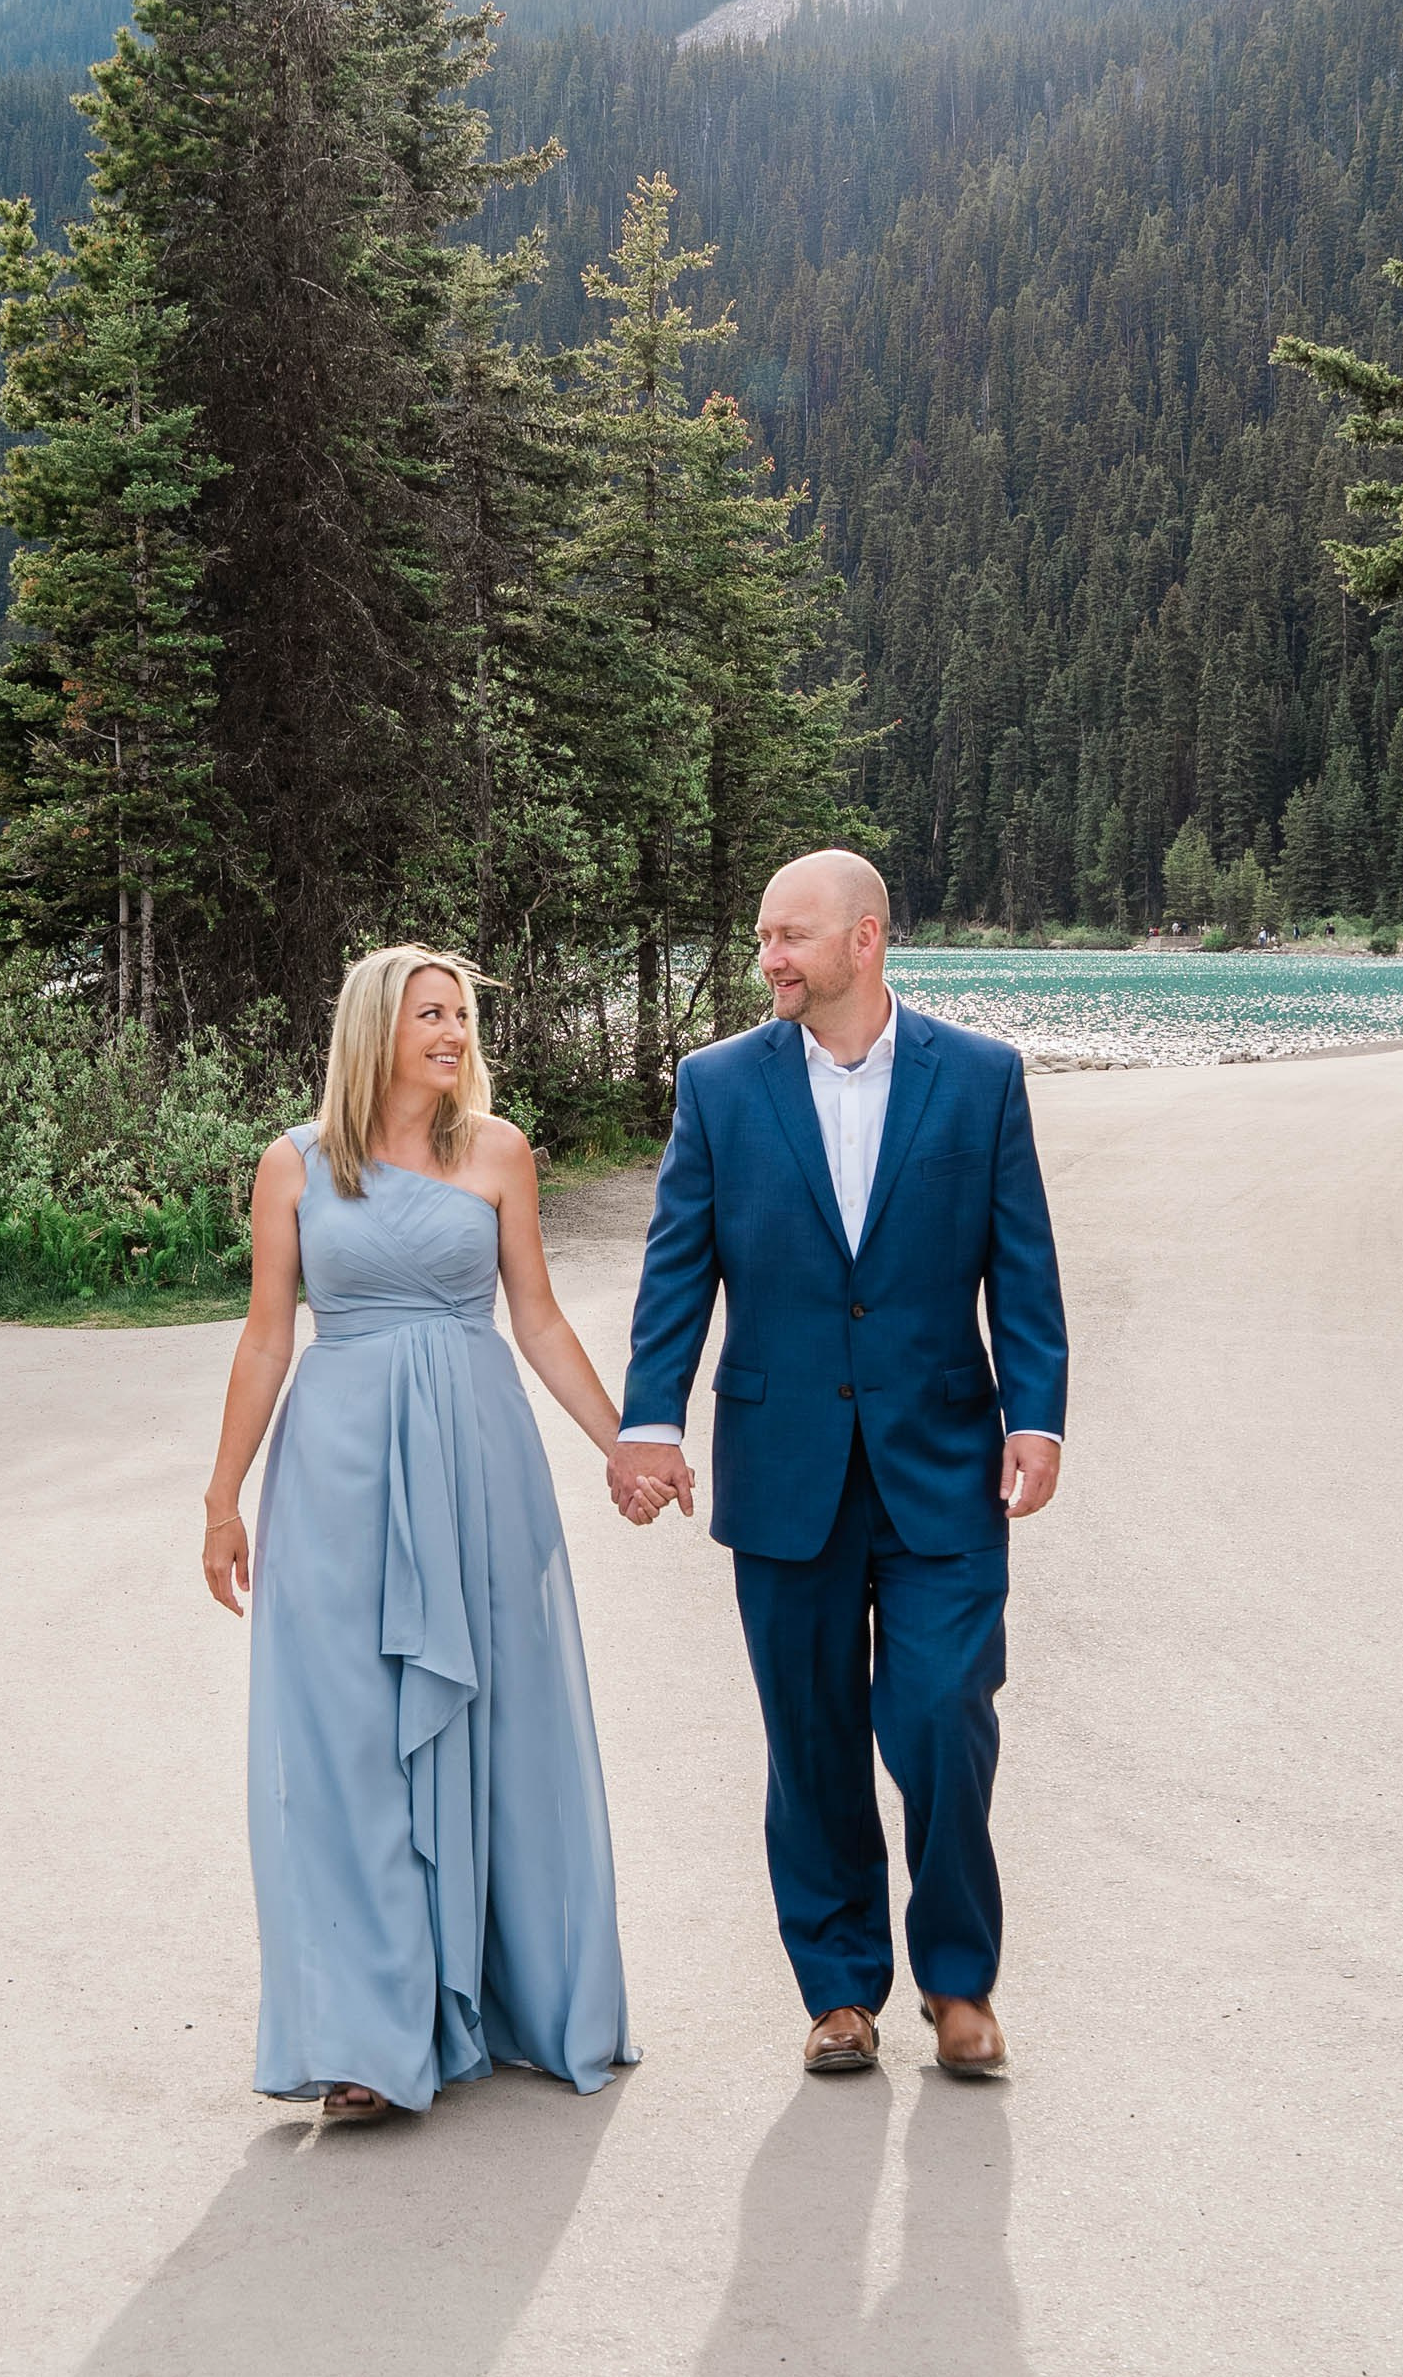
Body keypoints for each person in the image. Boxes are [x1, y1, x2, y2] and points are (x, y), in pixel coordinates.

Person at [611, 851, 1067, 2080]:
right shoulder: (717, 1086)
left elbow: (1018, 1266)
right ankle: (838, 1990)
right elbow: (675, 1267)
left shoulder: (977, 1079)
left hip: (943, 1466)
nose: (769, 958)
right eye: (763, 936)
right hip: (782, 1465)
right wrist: (649, 1418)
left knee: (936, 1720)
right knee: (808, 1739)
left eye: (790, 937)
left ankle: (958, 1983)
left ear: (864, 939)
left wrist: (1039, 1415)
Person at [202, 946, 644, 2124]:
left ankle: (496, 1999)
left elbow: (538, 1320)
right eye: (429, 1014)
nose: (452, 1032)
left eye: (460, 1015)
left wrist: (623, 1443)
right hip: (337, 1467)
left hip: (474, 1464)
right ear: (372, 1033)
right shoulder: (291, 1165)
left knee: (499, 1720)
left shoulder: (498, 1153)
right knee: (348, 1735)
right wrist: (220, 1498)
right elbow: (263, 1338)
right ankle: (365, 2036)